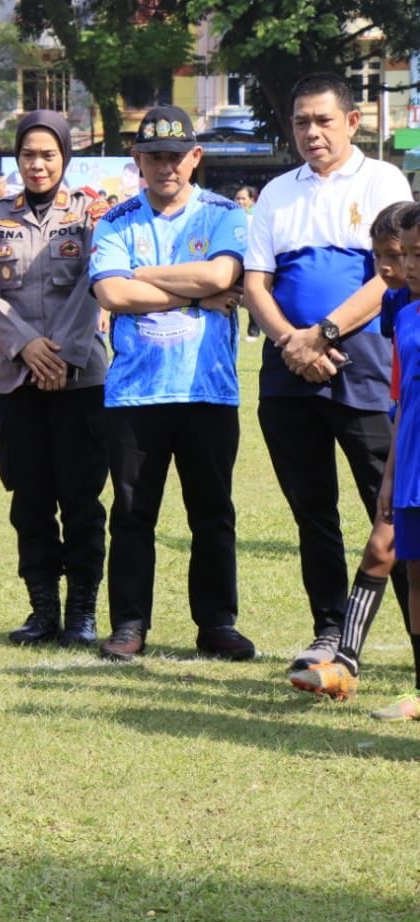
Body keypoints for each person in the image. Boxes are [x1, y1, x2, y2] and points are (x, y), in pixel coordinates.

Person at [241, 72, 415, 671]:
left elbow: (387, 276)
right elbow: (255, 283)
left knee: (390, 511)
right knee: (312, 510)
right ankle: (329, 634)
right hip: (288, 376)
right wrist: (293, 343)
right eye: (300, 122)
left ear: (351, 122)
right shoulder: (276, 194)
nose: (311, 133)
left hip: (363, 368)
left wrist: (325, 333)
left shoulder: (383, 181)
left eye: (322, 120)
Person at [87, 105, 256, 662]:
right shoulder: (115, 221)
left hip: (208, 389)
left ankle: (217, 625)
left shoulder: (224, 214)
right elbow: (112, 296)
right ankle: (130, 624)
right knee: (133, 515)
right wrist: (193, 294)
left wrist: (142, 274)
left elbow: (222, 276)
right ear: (137, 160)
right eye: (154, 156)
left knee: (213, 513)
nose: (166, 166)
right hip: (135, 393)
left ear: (195, 157)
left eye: (176, 156)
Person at [0, 109, 110, 648]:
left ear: (65, 158)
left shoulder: (91, 215)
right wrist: (28, 347)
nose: (37, 164)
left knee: (81, 498)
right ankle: (42, 610)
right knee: (29, 499)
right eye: (28, 154)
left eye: (48, 154)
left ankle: (81, 612)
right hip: (16, 380)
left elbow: (96, 283)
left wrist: (65, 355)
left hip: (81, 378)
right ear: (16, 158)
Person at [291, 201, 418, 702]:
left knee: (384, 547)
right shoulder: (396, 305)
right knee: (381, 546)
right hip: (408, 438)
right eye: (384, 256)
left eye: (402, 255)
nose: (392, 267)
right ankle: (345, 661)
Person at [369, 212, 420, 720]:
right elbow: (403, 398)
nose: (405, 265)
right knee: (416, 575)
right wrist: (389, 477)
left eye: (415, 255)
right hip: (411, 463)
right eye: (402, 254)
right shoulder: (402, 312)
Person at [232, 185, 262, 340]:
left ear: (252, 200)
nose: (240, 201)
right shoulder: (229, 216)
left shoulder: (257, 216)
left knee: (253, 295)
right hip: (234, 262)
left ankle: (253, 331)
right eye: (237, 198)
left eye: (243, 198)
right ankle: (233, 330)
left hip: (252, 262)